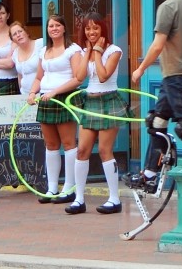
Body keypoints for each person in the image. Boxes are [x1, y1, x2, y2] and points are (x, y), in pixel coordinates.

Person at [122, 0, 182, 193]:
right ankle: (149, 175)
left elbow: (157, 45)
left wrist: (140, 68)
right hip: (177, 74)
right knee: (157, 122)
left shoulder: (168, 7)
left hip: (177, 73)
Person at [66, 12, 131, 215]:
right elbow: (79, 76)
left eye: (95, 27)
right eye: (87, 28)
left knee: (104, 150)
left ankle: (114, 198)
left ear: (103, 28)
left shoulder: (114, 50)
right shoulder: (84, 50)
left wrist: (97, 52)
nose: (91, 32)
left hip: (109, 101)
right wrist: (87, 53)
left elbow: (103, 76)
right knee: (82, 150)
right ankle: (79, 199)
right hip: (90, 101)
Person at [27, 14, 83, 205]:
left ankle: (69, 187)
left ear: (64, 28)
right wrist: (32, 92)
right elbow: (38, 77)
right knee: (50, 144)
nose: (54, 29)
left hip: (63, 99)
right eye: (51, 26)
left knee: (68, 143)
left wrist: (55, 92)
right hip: (45, 99)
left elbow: (78, 78)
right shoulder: (44, 51)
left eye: (58, 25)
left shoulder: (73, 50)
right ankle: (52, 187)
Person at [9, 21, 44, 95]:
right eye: (14, 34)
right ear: (12, 40)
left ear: (26, 32)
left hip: (42, 93)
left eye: (20, 31)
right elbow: (20, 75)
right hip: (24, 94)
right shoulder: (15, 53)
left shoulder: (40, 44)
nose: (18, 35)